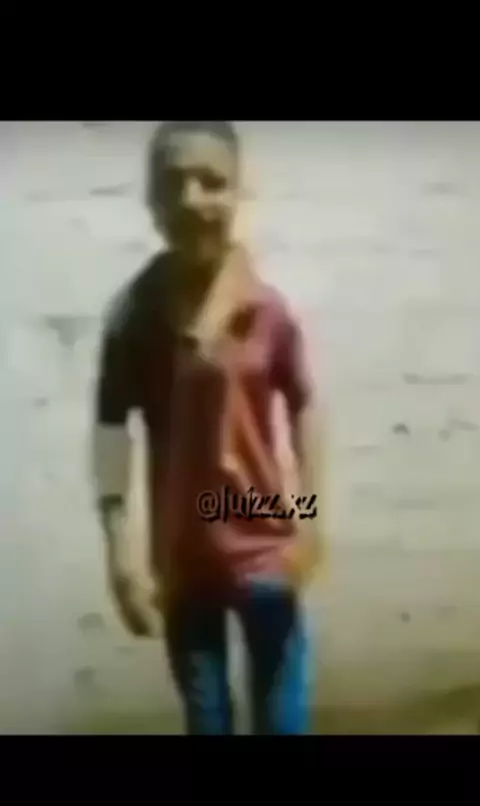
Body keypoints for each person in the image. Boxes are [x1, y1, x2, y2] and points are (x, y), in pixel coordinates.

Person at [92, 120, 325, 735]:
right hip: (184, 562)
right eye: (173, 184)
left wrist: (311, 516)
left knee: (282, 723)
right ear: (151, 199)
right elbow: (110, 429)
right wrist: (119, 555)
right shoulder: (134, 319)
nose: (191, 200)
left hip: (266, 552)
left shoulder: (266, 311)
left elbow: (304, 405)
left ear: (238, 193)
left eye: (211, 182)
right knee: (208, 722)